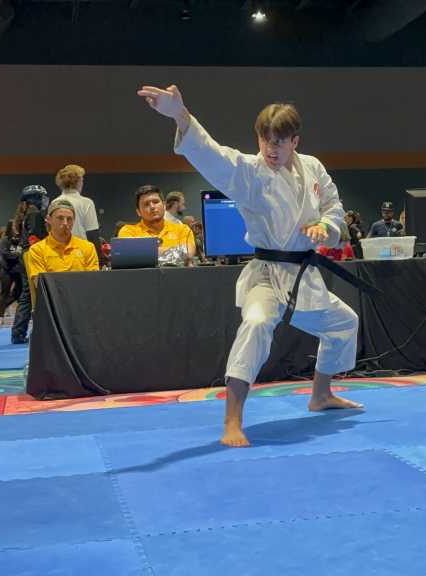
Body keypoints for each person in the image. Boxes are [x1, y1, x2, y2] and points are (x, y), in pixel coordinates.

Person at [140, 84, 370, 448]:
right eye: (265, 140)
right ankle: (232, 420)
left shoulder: (312, 167)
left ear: (295, 141)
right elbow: (209, 153)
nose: (270, 149)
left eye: (278, 141)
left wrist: (325, 227)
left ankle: (321, 395)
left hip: (302, 275)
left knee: (344, 323)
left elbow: (333, 205)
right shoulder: (247, 171)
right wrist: (180, 115)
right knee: (258, 322)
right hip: (266, 273)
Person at [24, 199, 99, 286]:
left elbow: (93, 282)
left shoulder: (88, 247)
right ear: (49, 219)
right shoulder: (37, 250)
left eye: (69, 219)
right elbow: (41, 286)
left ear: (74, 220)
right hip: (53, 298)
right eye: (60, 218)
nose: (65, 223)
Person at [117, 185, 197, 267]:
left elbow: (188, 253)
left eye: (155, 202)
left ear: (164, 205)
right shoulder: (128, 231)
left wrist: (144, 253)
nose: (152, 207)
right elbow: (129, 256)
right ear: (138, 212)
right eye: (146, 204)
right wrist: (177, 251)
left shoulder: (182, 229)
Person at [10, 185, 49, 345]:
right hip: (32, 254)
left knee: (26, 294)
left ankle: (18, 332)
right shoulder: (35, 214)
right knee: (29, 294)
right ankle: (19, 331)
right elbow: (34, 236)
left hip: (25, 254)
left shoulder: (26, 214)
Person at [53, 164, 103, 259]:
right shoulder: (86, 203)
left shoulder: (54, 203)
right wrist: (100, 261)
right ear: (78, 182)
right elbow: (92, 234)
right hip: (81, 254)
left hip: (59, 254)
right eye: (82, 180)